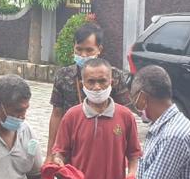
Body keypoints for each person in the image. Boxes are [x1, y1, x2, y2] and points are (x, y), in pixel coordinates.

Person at [47, 22, 132, 154]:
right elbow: (57, 114)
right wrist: (50, 153)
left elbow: (125, 114)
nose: (83, 55)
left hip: (106, 144)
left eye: (89, 50)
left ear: (99, 49)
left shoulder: (114, 76)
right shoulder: (63, 76)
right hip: (71, 144)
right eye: (79, 49)